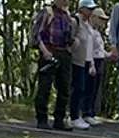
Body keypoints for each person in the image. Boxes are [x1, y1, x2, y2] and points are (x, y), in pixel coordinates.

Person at [31, 0, 77, 131]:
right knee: (45, 86)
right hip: (49, 51)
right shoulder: (47, 13)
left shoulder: (67, 15)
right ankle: (41, 118)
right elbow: (37, 34)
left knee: (65, 88)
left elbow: (69, 36)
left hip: (64, 52)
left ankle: (59, 119)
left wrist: (72, 45)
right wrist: (45, 51)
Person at [68, 0, 96, 130]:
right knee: (77, 88)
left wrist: (91, 62)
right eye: (88, 8)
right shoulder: (75, 21)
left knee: (83, 88)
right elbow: (70, 39)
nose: (91, 11)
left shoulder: (88, 23)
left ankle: (78, 114)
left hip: (87, 60)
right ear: (82, 9)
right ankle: (73, 116)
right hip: (77, 60)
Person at [82, 7, 110, 126]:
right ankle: (86, 112)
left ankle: (91, 112)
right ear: (93, 18)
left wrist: (109, 55)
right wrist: (91, 65)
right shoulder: (90, 32)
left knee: (95, 88)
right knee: (89, 88)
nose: (103, 22)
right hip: (92, 62)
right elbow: (90, 50)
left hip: (100, 61)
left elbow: (100, 50)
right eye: (100, 19)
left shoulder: (98, 33)